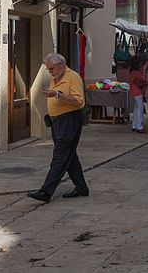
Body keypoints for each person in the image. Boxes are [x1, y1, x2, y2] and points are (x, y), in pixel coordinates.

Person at [27, 53, 88, 203]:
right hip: (57, 122)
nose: (50, 72)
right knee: (70, 157)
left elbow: (79, 101)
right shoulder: (56, 78)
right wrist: (52, 95)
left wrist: (57, 95)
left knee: (59, 158)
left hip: (69, 121)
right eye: (48, 69)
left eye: (51, 68)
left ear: (61, 64)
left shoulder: (72, 77)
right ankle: (81, 188)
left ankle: (46, 192)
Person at [128, 55, 146, 133]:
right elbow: (139, 84)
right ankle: (139, 126)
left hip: (133, 92)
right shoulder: (136, 73)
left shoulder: (132, 72)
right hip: (137, 92)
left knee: (136, 109)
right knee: (139, 109)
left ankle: (135, 125)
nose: (142, 65)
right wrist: (145, 83)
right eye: (141, 63)